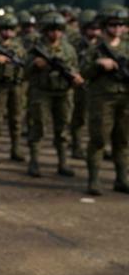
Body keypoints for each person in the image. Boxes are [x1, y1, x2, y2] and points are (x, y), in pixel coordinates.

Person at [25, 12, 84, 177]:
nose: (55, 33)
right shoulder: (37, 49)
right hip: (41, 92)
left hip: (63, 92)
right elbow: (24, 72)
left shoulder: (68, 49)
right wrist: (36, 65)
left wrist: (76, 77)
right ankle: (34, 162)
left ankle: (63, 163)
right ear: (45, 30)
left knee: (63, 129)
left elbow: (76, 68)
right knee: (38, 127)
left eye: (58, 29)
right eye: (51, 29)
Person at [81, 5, 128, 195]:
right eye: (113, 24)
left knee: (123, 140)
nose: (117, 28)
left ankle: (122, 179)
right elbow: (83, 73)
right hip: (102, 99)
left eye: (121, 24)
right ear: (105, 25)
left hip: (125, 97)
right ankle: (94, 180)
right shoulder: (96, 49)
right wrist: (98, 64)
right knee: (99, 139)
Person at [0, 14, 27, 162]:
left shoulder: (18, 46)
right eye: (5, 29)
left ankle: (15, 148)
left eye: (11, 29)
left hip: (16, 85)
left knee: (16, 118)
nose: (8, 32)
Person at [69, 9, 101, 160]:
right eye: (91, 28)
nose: (95, 32)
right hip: (79, 86)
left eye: (97, 28)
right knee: (78, 117)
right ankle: (76, 146)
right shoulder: (75, 44)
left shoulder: (103, 45)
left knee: (99, 120)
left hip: (98, 87)